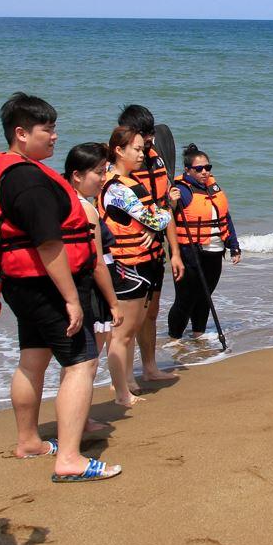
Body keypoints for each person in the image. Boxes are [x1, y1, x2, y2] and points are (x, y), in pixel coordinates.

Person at [0, 93, 119, 482]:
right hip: (48, 285)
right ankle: (70, 459)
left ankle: (29, 441)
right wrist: (73, 300)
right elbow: (48, 244)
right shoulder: (29, 181)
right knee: (81, 362)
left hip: (23, 285)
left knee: (33, 358)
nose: (56, 136)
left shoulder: (9, 170)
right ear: (21, 134)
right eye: (48, 129)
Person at [102, 126, 181, 398]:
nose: (141, 154)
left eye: (142, 148)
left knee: (132, 327)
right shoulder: (116, 187)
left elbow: (151, 218)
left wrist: (155, 218)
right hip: (127, 264)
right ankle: (123, 389)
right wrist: (164, 209)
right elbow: (155, 219)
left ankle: (128, 381)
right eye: (136, 149)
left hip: (143, 261)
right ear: (119, 150)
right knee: (123, 331)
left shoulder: (128, 182)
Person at [64, 143, 124, 379]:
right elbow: (97, 260)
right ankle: (81, 416)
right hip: (90, 289)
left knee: (76, 360)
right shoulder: (86, 209)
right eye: (99, 172)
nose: (103, 179)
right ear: (77, 176)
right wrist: (114, 303)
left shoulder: (65, 201)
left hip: (74, 286)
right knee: (87, 361)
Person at [169, 144, 241, 340]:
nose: (204, 172)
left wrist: (234, 246)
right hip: (189, 251)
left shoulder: (213, 188)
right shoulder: (181, 190)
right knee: (185, 299)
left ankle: (198, 335)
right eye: (199, 169)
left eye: (207, 168)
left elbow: (225, 217)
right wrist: (171, 201)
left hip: (215, 250)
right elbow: (167, 214)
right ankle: (174, 339)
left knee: (205, 296)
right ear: (187, 170)